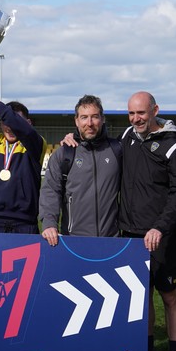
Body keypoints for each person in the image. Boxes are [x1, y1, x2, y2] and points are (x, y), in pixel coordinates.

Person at [118, 92, 176, 351]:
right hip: (130, 234)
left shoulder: (175, 147)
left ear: (155, 110)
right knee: (141, 296)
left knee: (169, 296)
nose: (136, 119)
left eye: (141, 113)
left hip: (161, 237)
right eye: (131, 113)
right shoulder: (128, 137)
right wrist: (73, 137)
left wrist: (160, 227)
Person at [39, 94, 121, 247]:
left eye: (94, 117)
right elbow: (51, 190)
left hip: (111, 241)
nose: (89, 123)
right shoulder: (64, 154)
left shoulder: (117, 150)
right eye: (84, 117)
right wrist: (49, 223)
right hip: (73, 240)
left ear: (102, 119)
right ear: (76, 121)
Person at [0, 83, 45, 233]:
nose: (10, 127)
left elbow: (26, 132)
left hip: (25, 224)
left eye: (15, 122)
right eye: (5, 122)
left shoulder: (35, 143)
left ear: (28, 124)